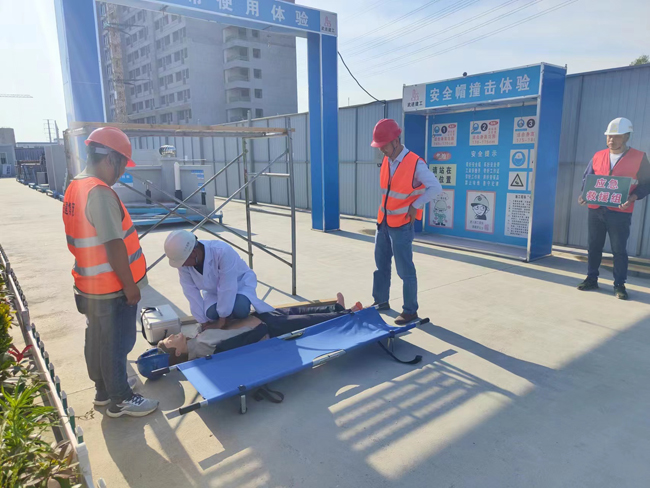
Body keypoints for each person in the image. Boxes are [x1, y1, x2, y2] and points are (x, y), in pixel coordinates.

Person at [62, 127, 158, 418]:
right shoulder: (100, 193)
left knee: (98, 340)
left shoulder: (75, 186)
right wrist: (130, 286)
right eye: (122, 165)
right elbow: (114, 244)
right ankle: (121, 399)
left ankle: (104, 391)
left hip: (89, 284)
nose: (121, 173)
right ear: (110, 159)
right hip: (112, 287)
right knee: (116, 344)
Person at [370, 119, 442, 325]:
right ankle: (380, 301)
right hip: (383, 222)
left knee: (405, 270)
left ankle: (410, 311)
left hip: (401, 225)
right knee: (381, 266)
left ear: (396, 141)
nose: (381, 150)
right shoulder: (387, 160)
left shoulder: (415, 163)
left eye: (384, 145)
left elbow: (436, 188)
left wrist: (416, 205)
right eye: (379, 146)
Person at [157, 295, 363, 365]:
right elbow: (236, 340)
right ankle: (349, 314)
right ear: (178, 352)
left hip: (259, 319)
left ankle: (336, 307)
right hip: (264, 327)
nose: (173, 335)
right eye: (171, 340)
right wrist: (258, 329)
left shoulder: (196, 338)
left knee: (297, 311)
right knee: (307, 320)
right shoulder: (202, 346)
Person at [577, 117, 650, 300]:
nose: (611, 139)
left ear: (626, 137)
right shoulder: (598, 156)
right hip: (596, 209)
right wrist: (584, 195)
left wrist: (633, 197)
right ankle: (591, 279)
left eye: (616, 136)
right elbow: (588, 178)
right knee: (594, 246)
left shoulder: (639, 157)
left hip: (620, 212)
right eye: (609, 136)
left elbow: (646, 184)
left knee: (619, 250)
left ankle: (619, 285)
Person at [164, 230, 274, 329]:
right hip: (214, 291)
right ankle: (229, 317)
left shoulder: (222, 251)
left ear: (193, 253)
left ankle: (235, 317)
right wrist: (203, 322)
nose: (182, 265)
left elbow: (227, 286)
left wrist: (222, 319)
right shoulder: (184, 264)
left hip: (239, 284)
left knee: (240, 309)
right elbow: (190, 292)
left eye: (183, 262)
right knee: (211, 314)